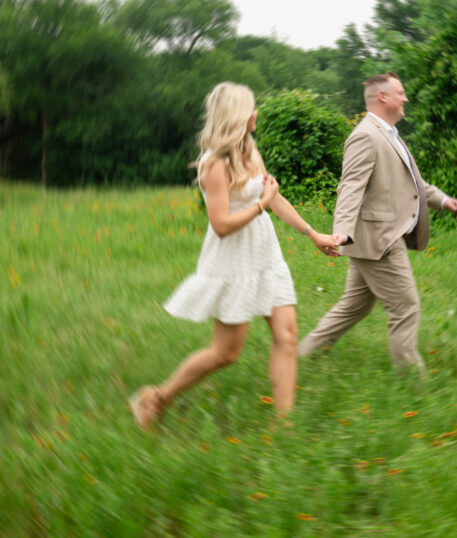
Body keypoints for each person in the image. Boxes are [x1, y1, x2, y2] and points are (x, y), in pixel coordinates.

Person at [129, 82, 341, 430]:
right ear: (238, 116)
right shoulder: (214, 165)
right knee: (227, 352)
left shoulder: (250, 151)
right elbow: (222, 224)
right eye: (252, 108)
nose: (257, 113)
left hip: (264, 252)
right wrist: (260, 204)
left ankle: (284, 425)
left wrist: (312, 234)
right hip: (233, 259)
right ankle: (158, 397)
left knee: (287, 335)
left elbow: (274, 197)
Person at [297, 72, 457, 372]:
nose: (406, 99)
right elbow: (350, 187)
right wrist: (342, 233)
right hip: (381, 239)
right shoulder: (366, 135)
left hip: (374, 239)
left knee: (354, 306)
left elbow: (413, 184)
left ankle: (302, 356)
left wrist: (443, 200)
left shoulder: (388, 134)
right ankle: (412, 381)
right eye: (400, 93)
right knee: (405, 307)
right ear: (383, 97)